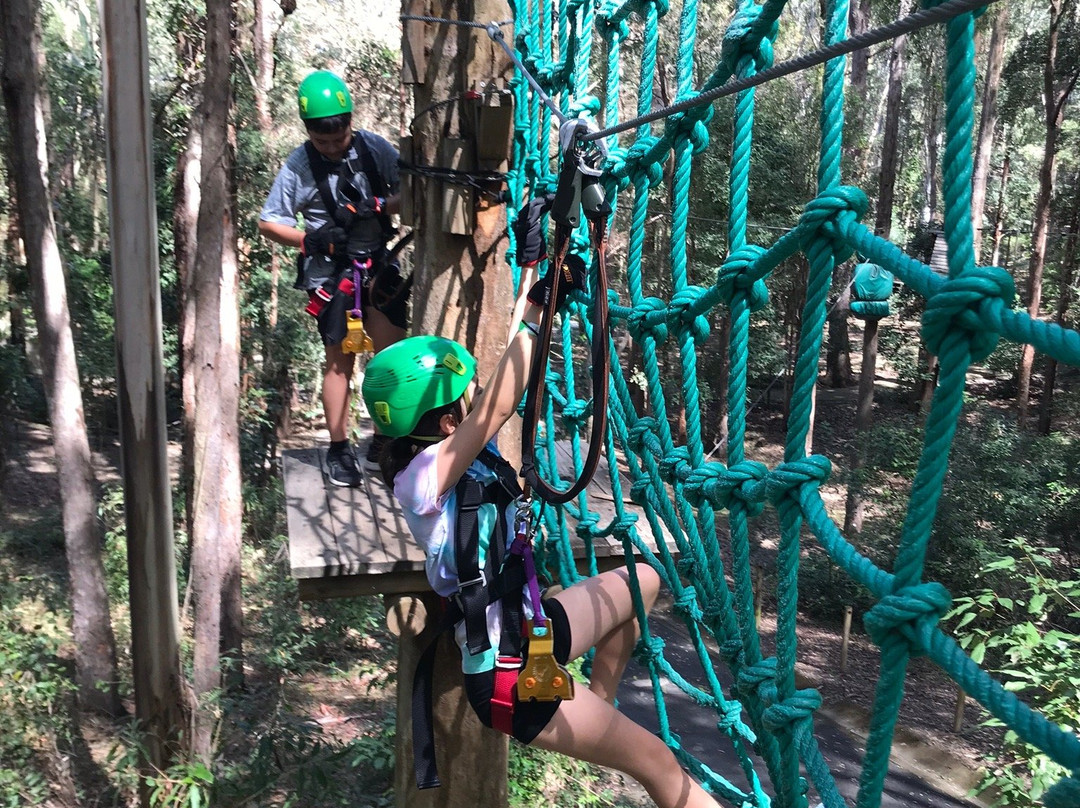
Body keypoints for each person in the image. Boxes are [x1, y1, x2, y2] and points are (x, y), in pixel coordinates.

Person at [360, 204, 721, 808]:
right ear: (445, 419)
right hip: (509, 679)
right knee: (660, 763)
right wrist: (535, 313)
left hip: (528, 634)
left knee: (643, 583)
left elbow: (495, 382)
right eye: (461, 401)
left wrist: (536, 271)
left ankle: (594, 711)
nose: (471, 405)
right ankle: (578, 718)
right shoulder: (424, 479)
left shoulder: (433, 458)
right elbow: (498, 405)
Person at [258, 69, 407, 486]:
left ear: (350, 123)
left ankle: (385, 438)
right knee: (340, 361)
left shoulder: (373, 149)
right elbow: (269, 223)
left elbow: (410, 196)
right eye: (321, 141)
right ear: (308, 132)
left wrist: (377, 206)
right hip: (333, 277)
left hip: (377, 267)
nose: (331, 147)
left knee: (390, 356)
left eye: (338, 139)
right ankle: (340, 448)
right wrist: (314, 240)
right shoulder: (300, 164)